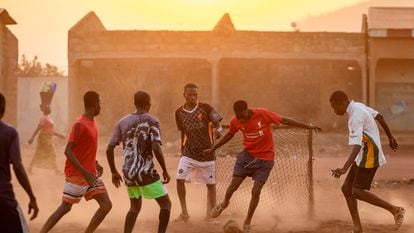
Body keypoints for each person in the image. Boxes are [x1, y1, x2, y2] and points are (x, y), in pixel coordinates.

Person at [205, 100, 320, 232]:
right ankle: (224, 203)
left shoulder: (262, 114)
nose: (240, 120)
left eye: (242, 117)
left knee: (256, 190)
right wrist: (213, 148)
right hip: (246, 157)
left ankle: (248, 220)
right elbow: (230, 134)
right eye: (238, 117)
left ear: (247, 110)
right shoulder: (235, 120)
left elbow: (284, 120)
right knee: (233, 185)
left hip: (265, 159)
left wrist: (306, 126)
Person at [329, 90, 405, 233]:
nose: (334, 111)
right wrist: (390, 138)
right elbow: (380, 117)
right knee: (346, 189)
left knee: (356, 191)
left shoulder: (355, 117)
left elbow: (357, 145)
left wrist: (344, 168)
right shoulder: (358, 106)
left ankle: (396, 210)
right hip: (364, 154)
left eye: (334, 107)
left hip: (370, 154)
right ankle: (358, 228)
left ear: (342, 103)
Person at [40, 91, 112, 233]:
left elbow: (85, 148)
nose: (101, 106)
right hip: (77, 175)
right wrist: (84, 172)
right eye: (100, 103)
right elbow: (68, 151)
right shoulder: (79, 124)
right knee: (65, 207)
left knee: (106, 205)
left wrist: (95, 162)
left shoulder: (92, 122)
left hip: (90, 175)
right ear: (94, 105)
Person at [106, 91, 172, 233]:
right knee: (166, 205)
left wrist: (113, 171)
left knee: (135, 207)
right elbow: (156, 146)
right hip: (146, 171)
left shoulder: (122, 122)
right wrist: (165, 170)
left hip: (128, 172)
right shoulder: (152, 121)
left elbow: (109, 149)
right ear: (149, 104)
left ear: (134, 103)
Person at [174, 83, 223, 222]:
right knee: (179, 180)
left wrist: (218, 130)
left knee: (211, 185)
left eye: (195, 94)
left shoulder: (205, 108)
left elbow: (217, 122)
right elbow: (183, 132)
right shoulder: (179, 112)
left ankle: (211, 215)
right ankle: (184, 213)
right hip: (189, 153)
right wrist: (182, 151)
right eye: (190, 94)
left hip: (207, 153)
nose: (193, 97)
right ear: (184, 95)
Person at [0, 93, 39, 233]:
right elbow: (17, 165)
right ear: (3, 109)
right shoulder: (9, 133)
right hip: (3, 200)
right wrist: (32, 197)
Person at [28, 103, 65, 174]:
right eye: (48, 107)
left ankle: (30, 167)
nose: (50, 108)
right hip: (44, 138)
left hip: (47, 138)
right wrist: (32, 137)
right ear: (45, 110)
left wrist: (59, 135)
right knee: (51, 153)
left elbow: (50, 131)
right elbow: (38, 128)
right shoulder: (43, 118)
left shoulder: (48, 118)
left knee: (39, 153)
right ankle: (56, 170)